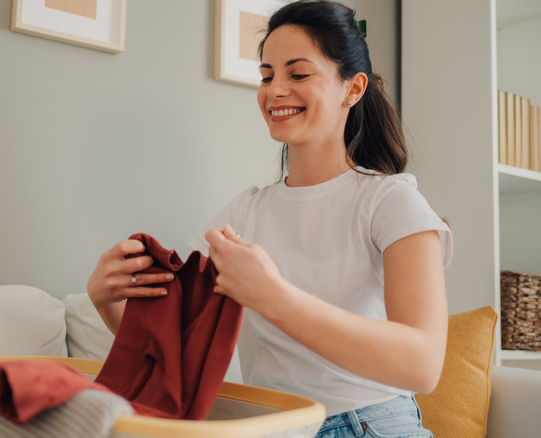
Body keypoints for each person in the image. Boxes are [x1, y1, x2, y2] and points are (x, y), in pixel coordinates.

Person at [87, 1, 452, 436]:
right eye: (266, 75)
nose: (275, 90)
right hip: (276, 426)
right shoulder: (243, 213)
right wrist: (105, 298)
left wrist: (273, 297)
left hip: (370, 423)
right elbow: (174, 354)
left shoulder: (391, 202)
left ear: (352, 89)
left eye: (298, 74)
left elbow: (423, 366)